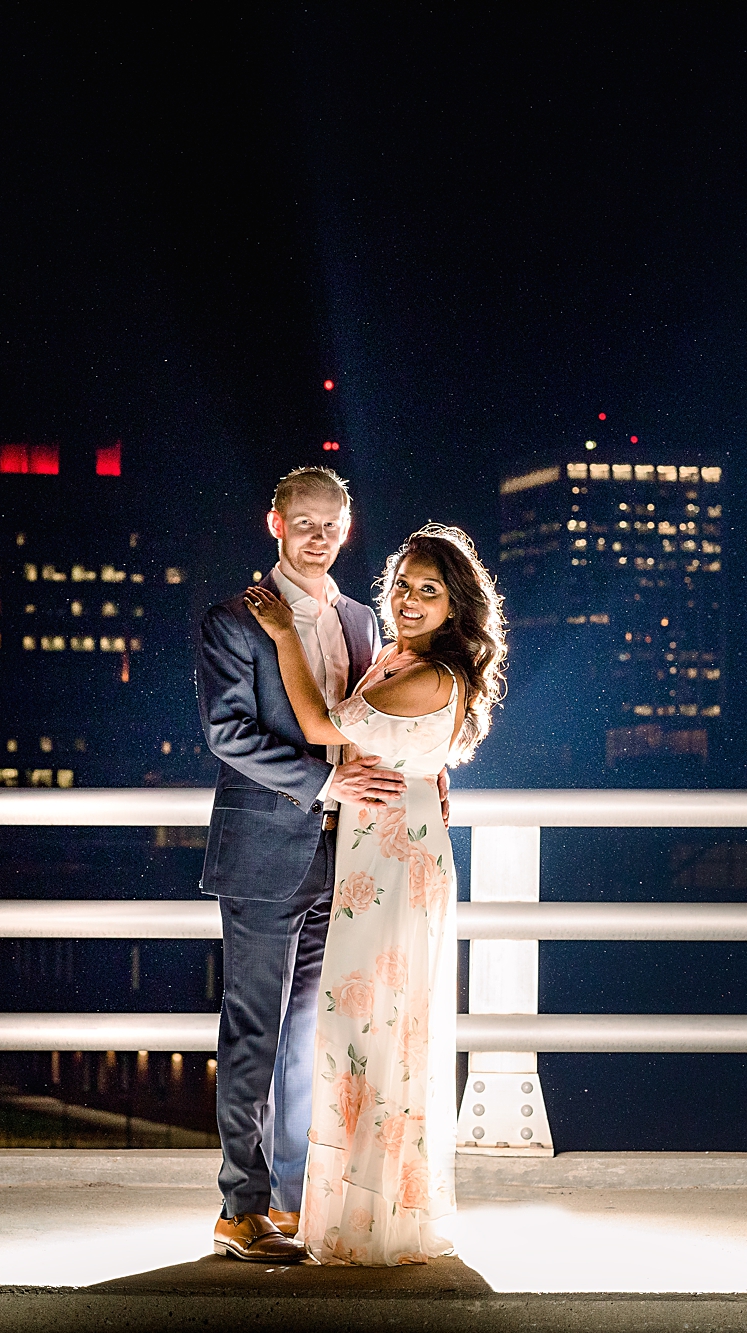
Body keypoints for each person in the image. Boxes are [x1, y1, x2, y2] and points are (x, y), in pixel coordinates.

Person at [195, 467, 446, 1263]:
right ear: (274, 523)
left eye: (330, 523)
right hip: (266, 856)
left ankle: (301, 1204)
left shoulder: (365, 620)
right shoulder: (233, 620)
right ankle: (241, 1206)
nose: (316, 535)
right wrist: (327, 777)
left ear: (348, 527)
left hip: (351, 862)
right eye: (301, 521)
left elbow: (377, 719)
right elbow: (228, 734)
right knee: (255, 1032)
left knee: (315, 1037)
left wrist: (428, 768)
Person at [243, 522, 506, 1265]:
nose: (410, 599)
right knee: (359, 1025)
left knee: (379, 1025)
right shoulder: (397, 657)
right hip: (378, 843)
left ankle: (376, 1215)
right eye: (403, 585)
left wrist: (285, 633)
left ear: (457, 607)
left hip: (394, 857)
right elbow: (382, 740)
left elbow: (322, 725)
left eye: (430, 591)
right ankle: (358, 1204)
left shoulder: (430, 672)